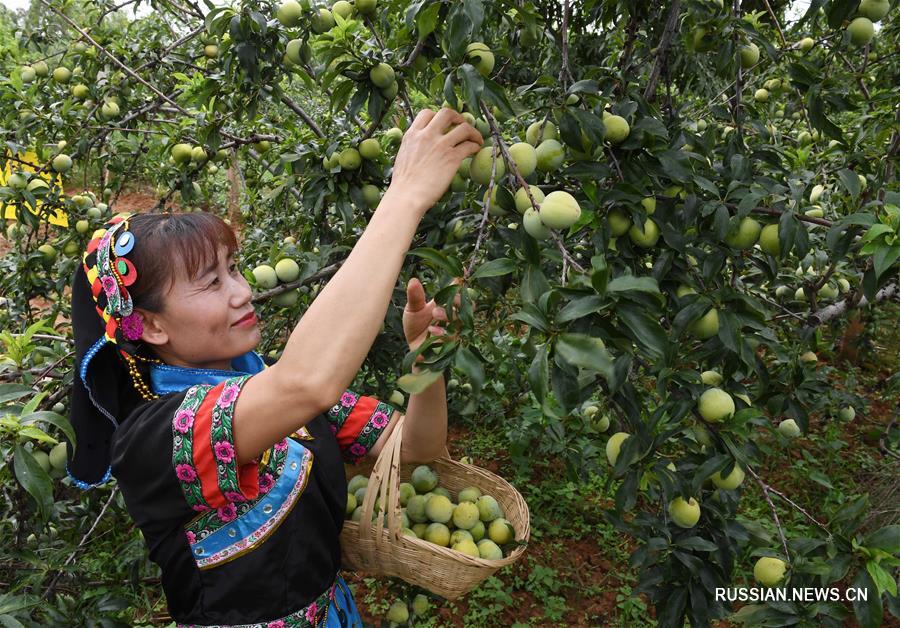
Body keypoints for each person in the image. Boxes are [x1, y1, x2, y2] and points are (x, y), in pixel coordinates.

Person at [65, 108, 484, 627]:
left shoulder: (266, 388)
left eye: (234, 269)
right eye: (211, 282)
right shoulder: (154, 435)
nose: (242, 292)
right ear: (151, 325)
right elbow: (306, 381)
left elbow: (416, 450)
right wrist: (404, 197)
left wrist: (427, 360)